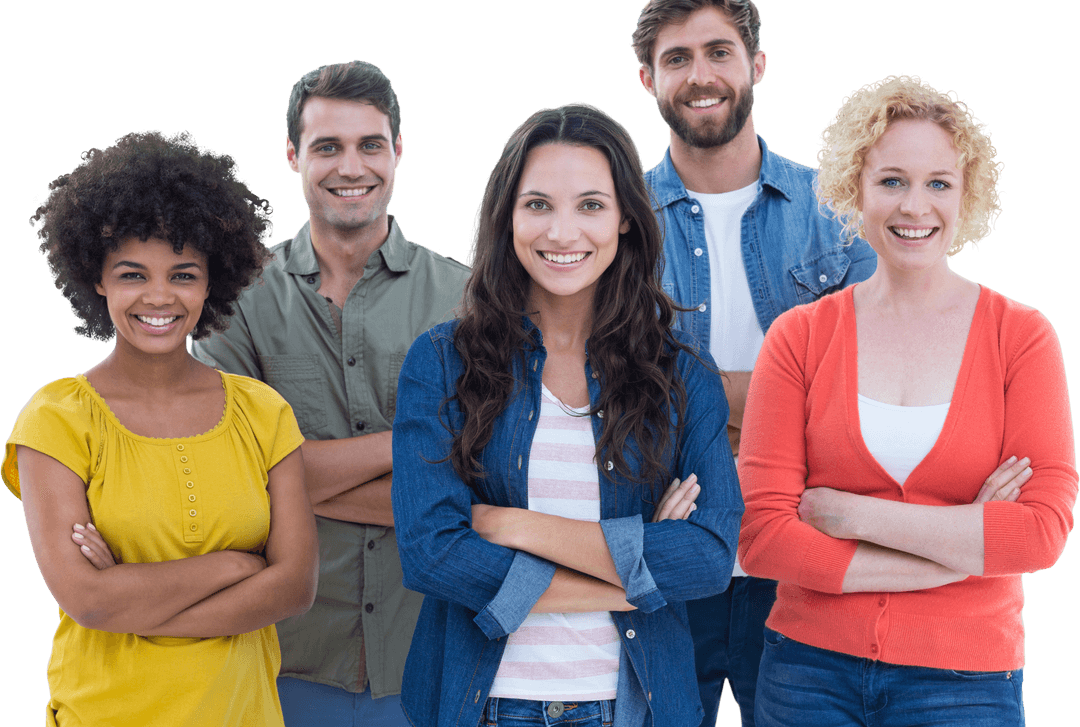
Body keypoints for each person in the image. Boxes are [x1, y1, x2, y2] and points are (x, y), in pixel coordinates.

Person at [738, 74, 1077, 726]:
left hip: (965, 680)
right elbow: (763, 539)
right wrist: (959, 546)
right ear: (854, 190)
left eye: (938, 183)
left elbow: (1040, 530)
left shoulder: (1022, 337)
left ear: (966, 195)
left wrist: (849, 513)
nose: (914, 206)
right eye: (892, 180)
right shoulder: (800, 338)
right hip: (807, 671)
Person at [391, 102, 743, 727]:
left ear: (626, 220)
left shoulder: (683, 376)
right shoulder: (442, 363)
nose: (562, 232)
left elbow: (709, 557)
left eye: (590, 205)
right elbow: (431, 554)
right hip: (485, 706)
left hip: (635, 708)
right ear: (507, 218)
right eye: (537, 205)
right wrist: (629, 579)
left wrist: (511, 525)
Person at [3, 130, 319, 726]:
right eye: (131, 275)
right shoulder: (56, 419)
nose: (158, 297)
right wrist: (234, 567)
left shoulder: (263, 412)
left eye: (182, 274)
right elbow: (88, 600)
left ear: (211, 282)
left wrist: (133, 595)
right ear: (96, 279)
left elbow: (294, 587)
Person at [191, 60, 469, 726]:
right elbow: (234, 476)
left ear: (398, 150)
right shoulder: (236, 304)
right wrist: (412, 442)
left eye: (370, 144)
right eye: (327, 146)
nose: (352, 165)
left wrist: (291, 480)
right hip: (282, 661)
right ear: (292, 155)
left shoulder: (466, 300)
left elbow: (474, 487)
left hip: (427, 659)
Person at [629, 0, 877, 723]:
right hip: (670, 558)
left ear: (756, 64)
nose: (700, 75)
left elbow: (870, 388)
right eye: (677, 58)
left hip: (804, 559)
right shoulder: (617, 224)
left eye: (718, 52)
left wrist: (703, 410)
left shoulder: (838, 216)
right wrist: (784, 404)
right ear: (649, 79)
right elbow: (618, 393)